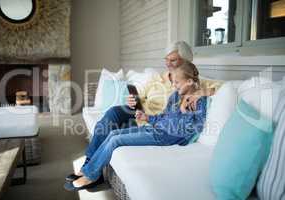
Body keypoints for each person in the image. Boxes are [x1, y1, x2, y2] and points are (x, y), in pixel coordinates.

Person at [64, 61, 208, 191]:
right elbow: (163, 117)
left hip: (166, 136)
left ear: (189, 81)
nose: (174, 85)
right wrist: (147, 118)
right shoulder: (176, 96)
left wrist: (186, 111)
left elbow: (192, 129)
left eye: (177, 82)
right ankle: (90, 169)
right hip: (155, 129)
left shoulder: (199, 101)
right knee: (113, 134)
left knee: (116, 140)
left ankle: (91, 175)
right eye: (173, 82)